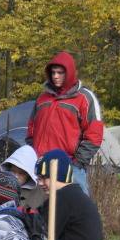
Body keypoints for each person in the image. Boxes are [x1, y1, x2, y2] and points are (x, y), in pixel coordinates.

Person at [26, 51, 104, 196]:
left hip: (70, 166)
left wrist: (77, 162)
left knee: (78, 212)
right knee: (40, 214)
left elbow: (94, 134)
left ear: (69, 73)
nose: (55, 76)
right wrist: (34, 154)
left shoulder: (85, 98)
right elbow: (31, 129)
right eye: (53, 72)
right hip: (41, 167)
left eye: (60, 72)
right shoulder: (42, 98)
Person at [0, 145, 46, 211]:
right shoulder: (0, 186)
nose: (16, 176)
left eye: (21, 173)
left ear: (29, 175)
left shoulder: (40, 194)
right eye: (13, 171)